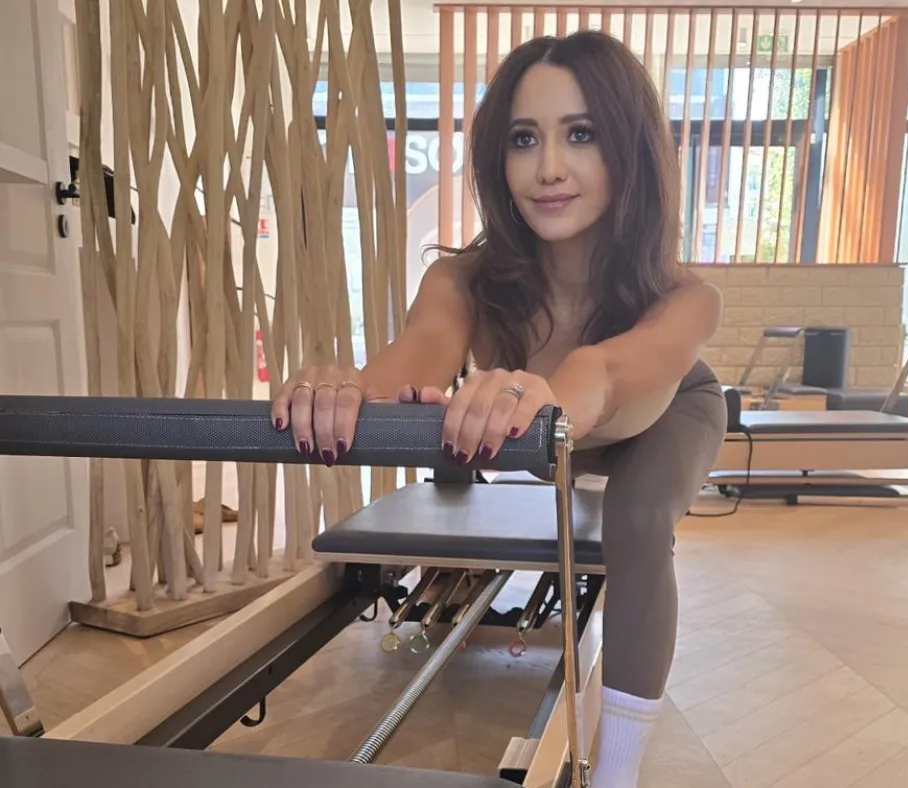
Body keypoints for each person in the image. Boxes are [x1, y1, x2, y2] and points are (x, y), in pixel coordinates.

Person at [271, 29, 727, 788]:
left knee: (639, 519)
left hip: (660, 415)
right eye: (525, 139)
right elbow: (420, 351)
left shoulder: (686, 297)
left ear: (628, 148)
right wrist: (350, 387)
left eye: (580, 134)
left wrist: (549, 391)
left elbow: (607, 375)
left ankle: (617, 776)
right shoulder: (465, 278)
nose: (549, 168)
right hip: (543, 424)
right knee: (451, 420)